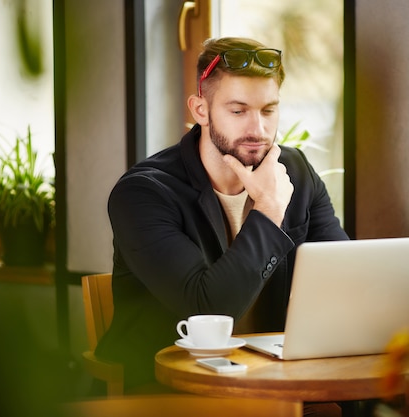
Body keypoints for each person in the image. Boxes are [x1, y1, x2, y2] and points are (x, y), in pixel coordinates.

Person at [95, 37, 348, 415]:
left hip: (272, 374)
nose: (258, 129)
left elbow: (342, 274)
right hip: (169, 387)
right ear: (201, 109)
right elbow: (206, 308)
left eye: (269, 110)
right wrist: (268, 209)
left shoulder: (295, 173)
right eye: (238, 110)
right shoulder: (143, 193)